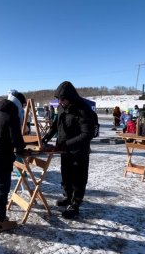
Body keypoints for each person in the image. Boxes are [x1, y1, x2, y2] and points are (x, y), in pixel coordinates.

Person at [42, 81, 94, 219]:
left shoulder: (83, 110)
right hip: (64, 150)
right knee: (66, 176)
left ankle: (75, 204)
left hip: (78, 151)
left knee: (78, 178)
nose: (60, 102)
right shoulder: (61, 108)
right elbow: (54, 126)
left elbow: (86, 134)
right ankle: (68, 197)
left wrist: (67, 144)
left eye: (62, 99)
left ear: (70, 97)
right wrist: (44, 139)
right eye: (58, 99)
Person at [0, 91, 27, 233]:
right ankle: (1, 221)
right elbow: (16, 139)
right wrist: (22, 150)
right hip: (2, 158)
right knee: (2, 189)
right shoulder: (12, 116)